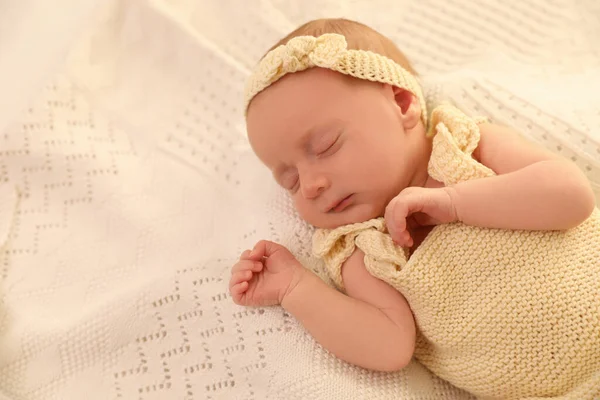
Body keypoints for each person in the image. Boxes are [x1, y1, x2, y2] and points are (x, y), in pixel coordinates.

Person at [229, 18, 600, 399]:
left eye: (325, 146)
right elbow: (388, 346)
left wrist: (453, 203)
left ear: (402, 104)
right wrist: (296, 287)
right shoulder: (362, 247)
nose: (310, 185)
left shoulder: (463, 144)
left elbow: (572, 195)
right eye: (289, 180)